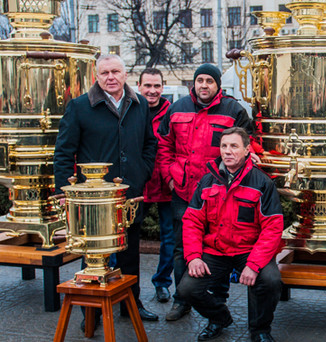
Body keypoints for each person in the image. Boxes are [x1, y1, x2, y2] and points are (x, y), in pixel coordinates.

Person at [54, 54, 160, 324]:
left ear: (125, 75)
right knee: (92, 254)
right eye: (105, 73)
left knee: (130, 254)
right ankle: (89, 311)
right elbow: (64, 153)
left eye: (115, 71)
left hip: (130, 194)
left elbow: (150, 144)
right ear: (96, 77)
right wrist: (68, 193)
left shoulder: (139, 105)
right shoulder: (79, 107)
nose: (110, 77)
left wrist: (142, 172)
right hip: (93, 199)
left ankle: (131, 305)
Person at [154, 63, 256, 322]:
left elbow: (249, 144)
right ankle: (182, 300)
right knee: (181, 248)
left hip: (219, 193)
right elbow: (163, 144)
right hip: (184, 191)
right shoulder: (177, 109)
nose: (204, 85)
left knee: (220, 246)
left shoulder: (233, 110)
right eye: (200, 80)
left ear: (218, 85)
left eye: (209, 81)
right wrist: (169, 177)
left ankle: (217, 301)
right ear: (194, 83)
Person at [177, 127, 283, 342]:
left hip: (248, 250)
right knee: (187, 289)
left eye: (234, 146)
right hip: (215, 250)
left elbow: (272, 227)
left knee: (270, 280)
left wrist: (254, 265)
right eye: (224, 146)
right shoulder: (207, 181)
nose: (227, 151)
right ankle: (219, 318)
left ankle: (260, 330)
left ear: (246, 150)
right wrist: (194, 257)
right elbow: (192, 221)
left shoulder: (263, 183)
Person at [137, 68, 177, 304]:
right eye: (147, 86)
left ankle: (162, 283)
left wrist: (173, 178)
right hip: (137, 185)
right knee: (126, 236)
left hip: (165, 185)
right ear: (139, 86)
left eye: (157, 86)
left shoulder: (171, 112)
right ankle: (121, 281)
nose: (152, 91)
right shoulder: (130, 109)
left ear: (163, 87)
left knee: (169, 238)